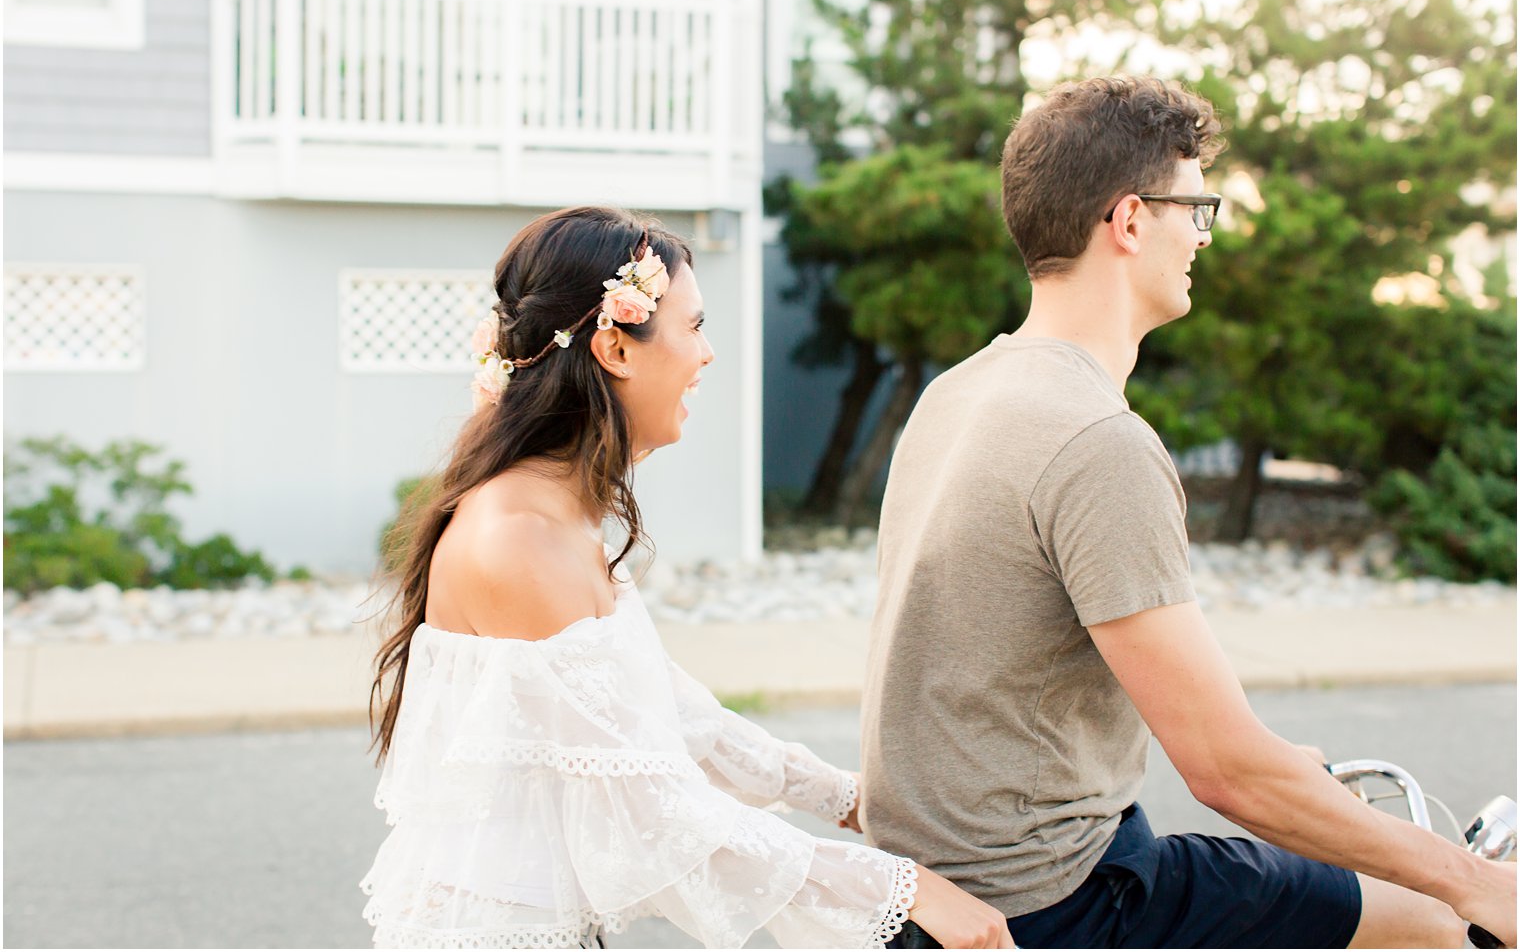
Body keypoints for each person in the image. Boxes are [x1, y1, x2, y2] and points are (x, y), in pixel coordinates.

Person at [859, 76, 1518, 949]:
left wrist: (1284, 766)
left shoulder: (960, 390)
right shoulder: (1099, 440)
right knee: (1433, 918)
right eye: (1195, 207)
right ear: (1131, 221)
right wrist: (1480, 884)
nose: (1201, 235)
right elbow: (1225, 772)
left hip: (929, 887)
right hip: (1055, 901)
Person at [359, 206, 1013, 950]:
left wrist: (848, 798)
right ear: (616, 347)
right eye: (693, 325)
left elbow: (669, 713)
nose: (706, 354)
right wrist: (904, 889)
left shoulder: (553, 513)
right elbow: (655, 818)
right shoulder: (519, 539)